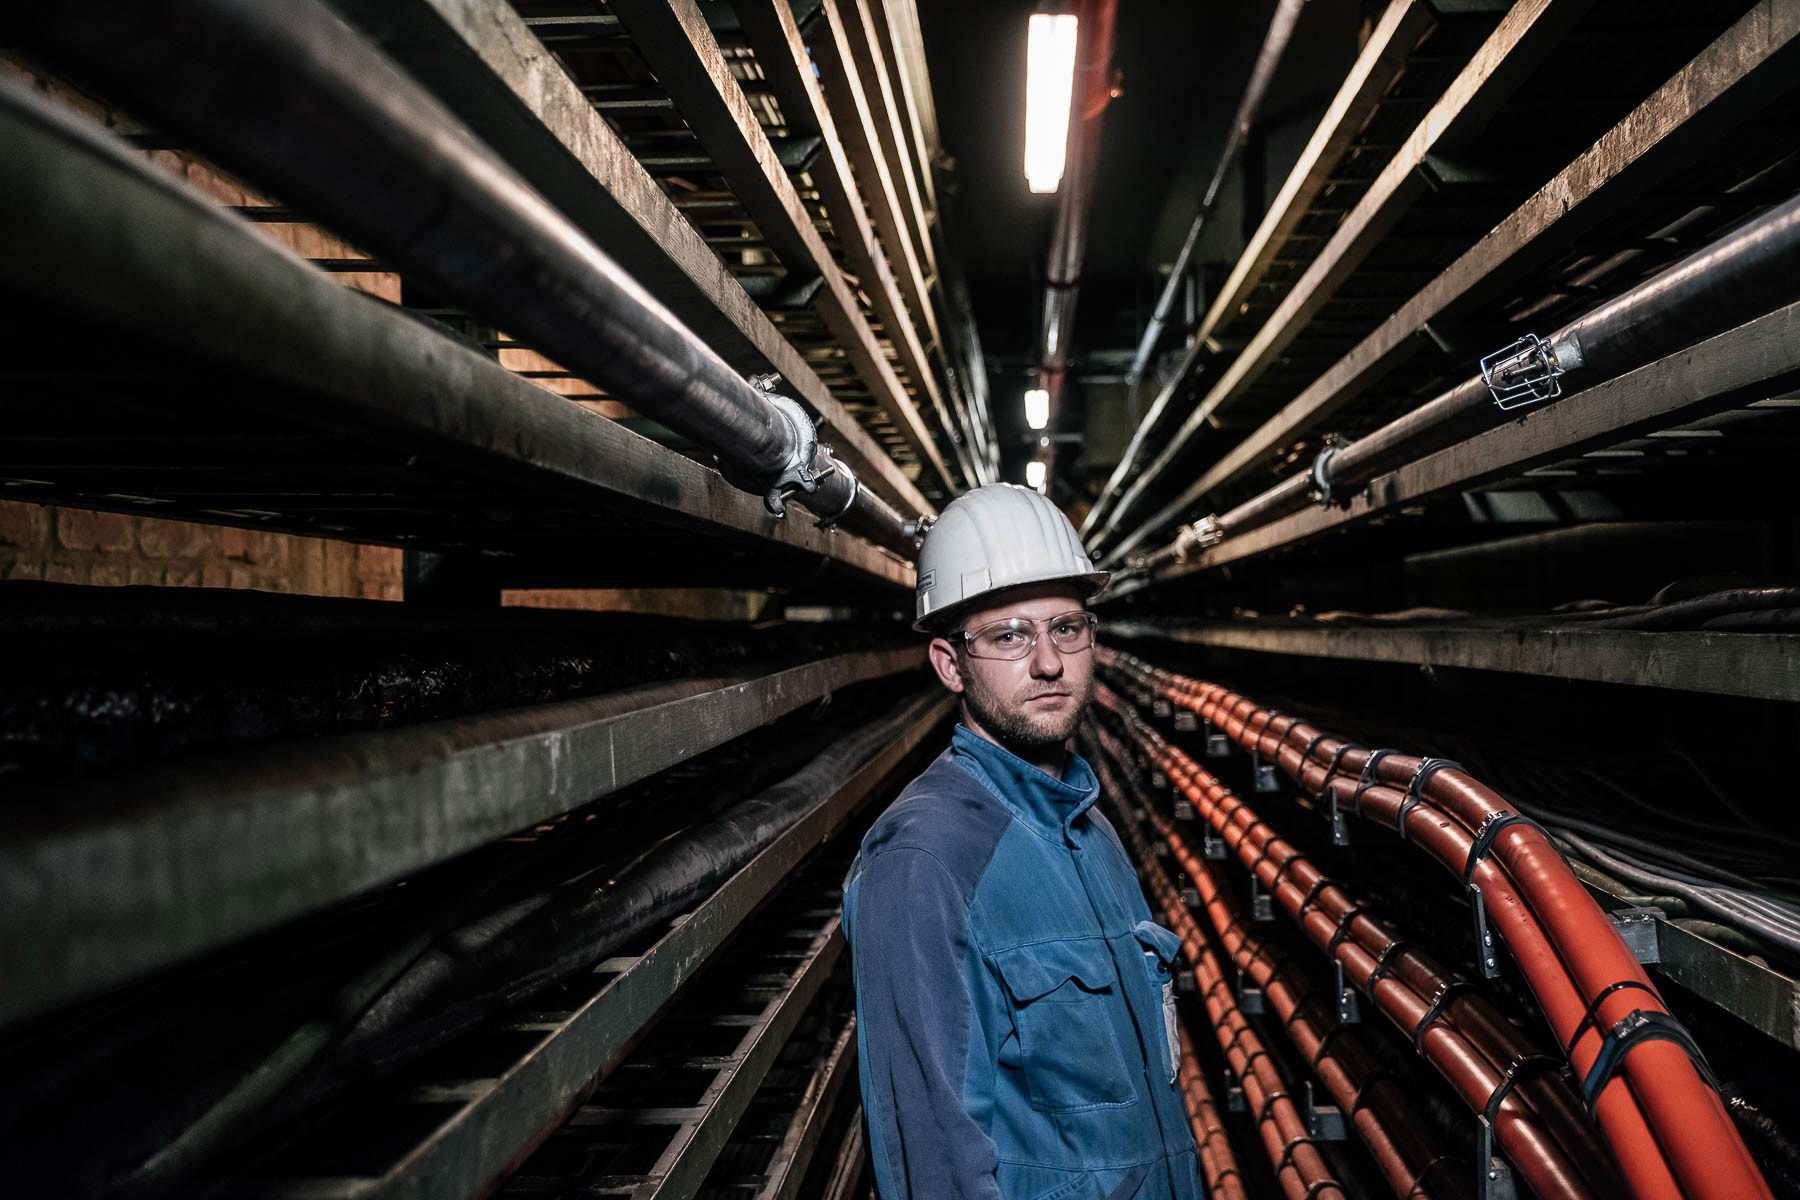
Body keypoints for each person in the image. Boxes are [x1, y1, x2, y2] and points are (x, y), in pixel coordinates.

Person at [843, 483, 1201, 1200]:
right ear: (951, 665)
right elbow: (937, 1170)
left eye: (1066, 629)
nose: (1048, 662)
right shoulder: (925, 862)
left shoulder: (1092, 830)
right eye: (1010, 636)